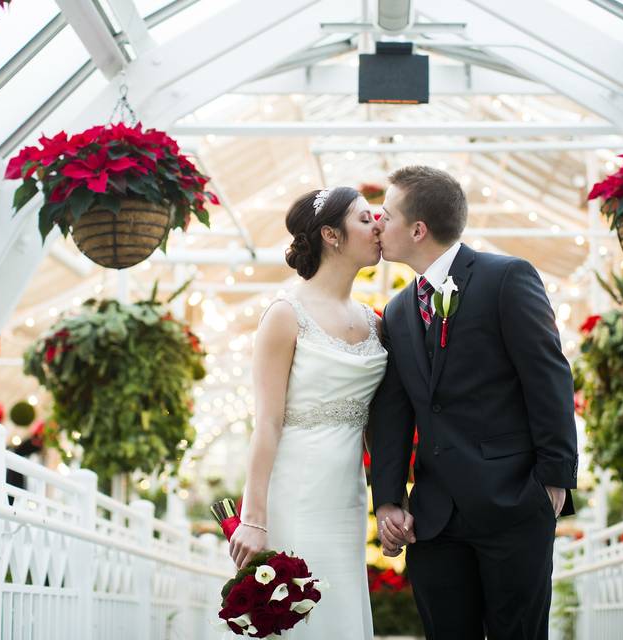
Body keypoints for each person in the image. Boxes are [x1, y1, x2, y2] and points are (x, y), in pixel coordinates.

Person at [369, 165, 578, 639]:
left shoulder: (505, 278)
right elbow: (394, 413)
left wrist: (554, 481)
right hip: (434, 519)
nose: (377, 224)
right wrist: (387, 500)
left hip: (514, 503)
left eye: (385, 215)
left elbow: (548, 377)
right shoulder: (400, 310)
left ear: (418, 230)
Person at [227, 186, 386, 638]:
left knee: (340, 609)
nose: (378, 226)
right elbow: (267, 422)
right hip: (296, 492)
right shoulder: (285, 314)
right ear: (331, 235)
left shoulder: (376, 323)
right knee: (299, 615)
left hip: (349, 499)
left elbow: (379, 422)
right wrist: (253, 518)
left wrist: (393, 499)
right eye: (365, 219)